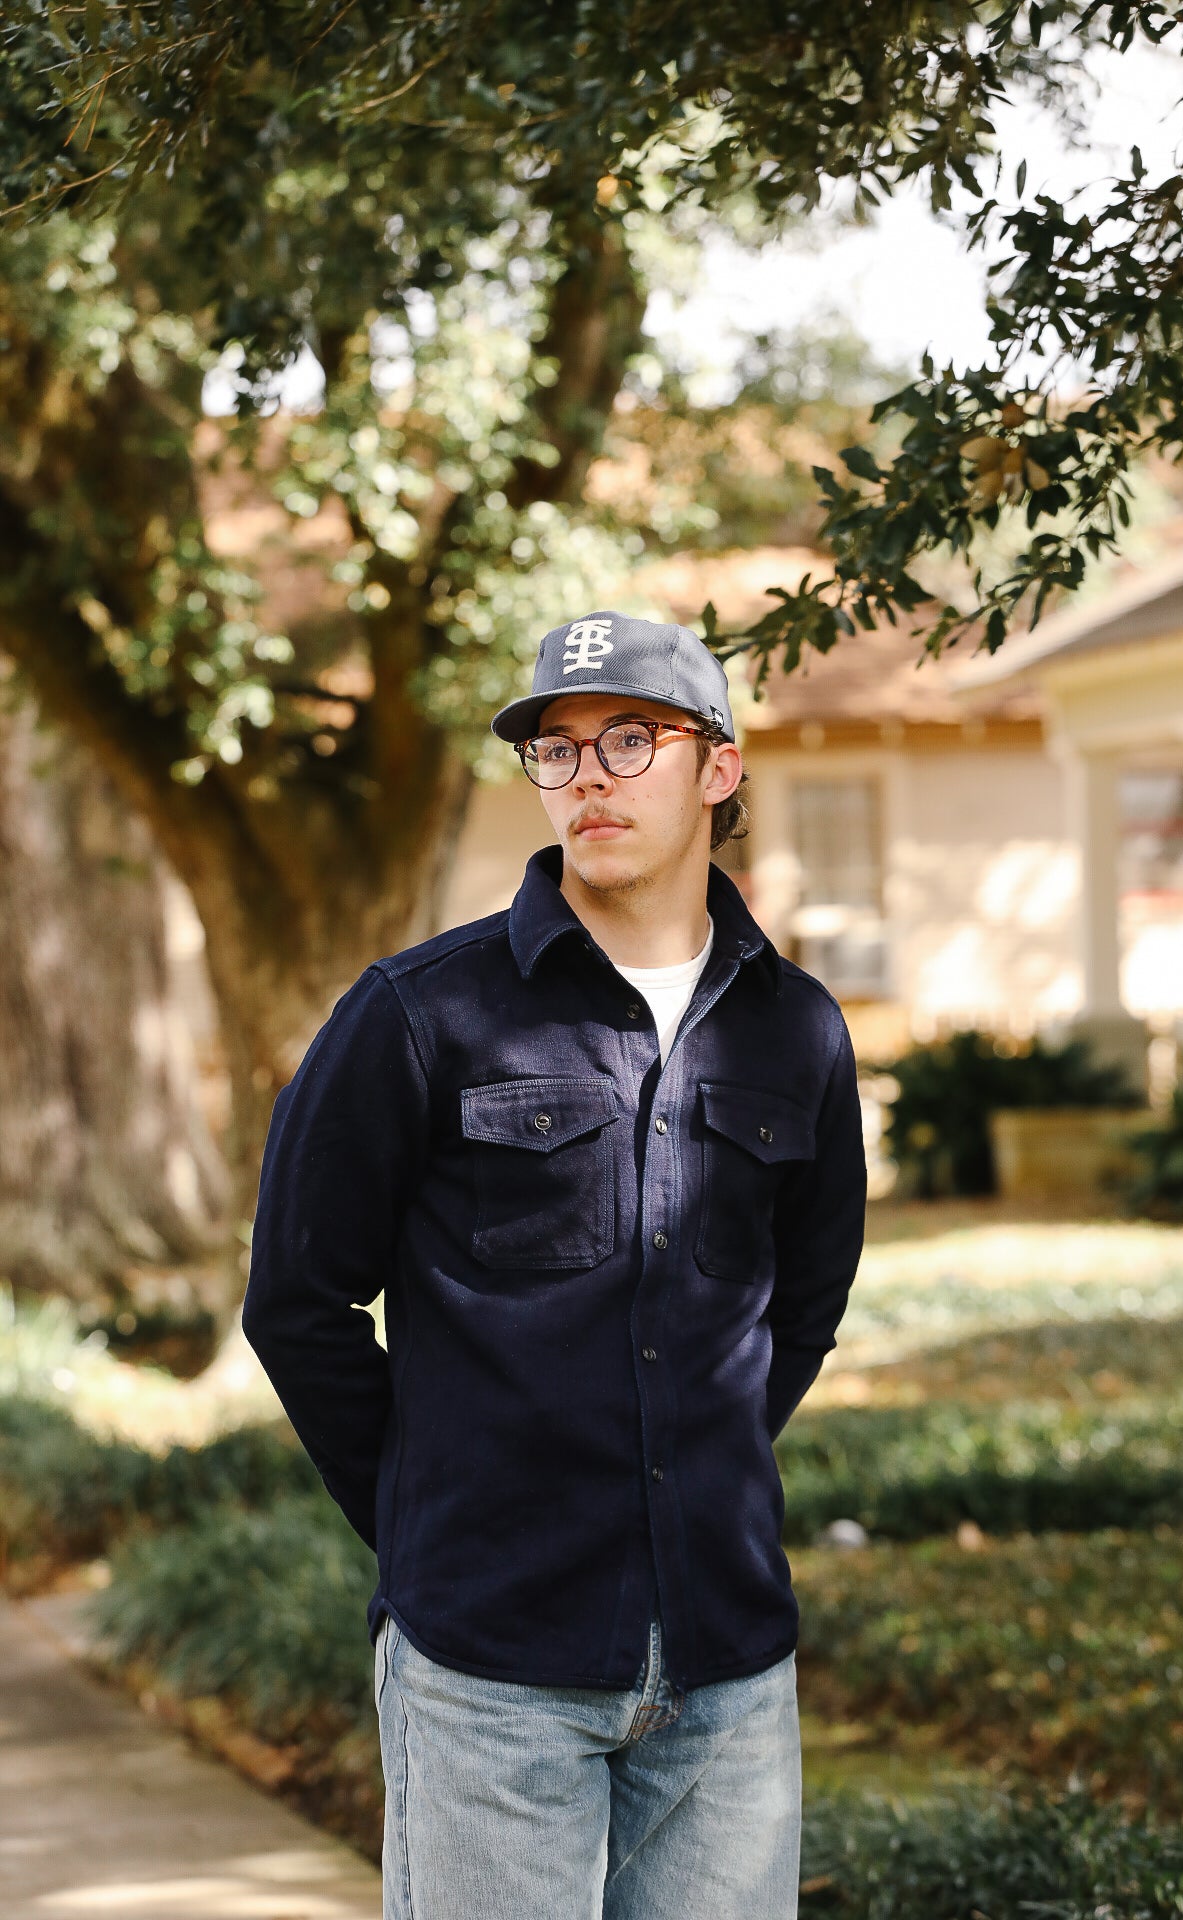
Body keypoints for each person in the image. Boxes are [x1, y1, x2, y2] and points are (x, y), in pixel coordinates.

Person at [242, 610, 867, 1920]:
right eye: (558, 748)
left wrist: (694, 1467)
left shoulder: (799, 1031)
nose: (589, 776)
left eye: (630, 740)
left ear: (720, 769)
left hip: (728, 1670)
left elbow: (804, 1299)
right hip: (489, 1673)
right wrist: (433, 1510)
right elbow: (297, 1302)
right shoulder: (418, 1014)